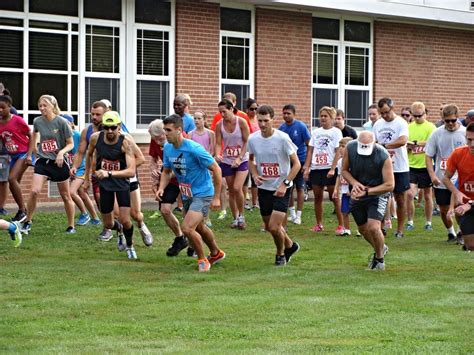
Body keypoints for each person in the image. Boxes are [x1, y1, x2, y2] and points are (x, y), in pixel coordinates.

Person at [158, 114, 225, 272]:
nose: (165, 134)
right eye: (164, 130)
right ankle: (216, 253)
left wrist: (216, 197)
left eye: (168, 130)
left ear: (179, 130)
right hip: (187, 193)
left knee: (187, 228)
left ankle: (202, 260)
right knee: (199, 228)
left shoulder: (194, 148)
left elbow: (216, 168)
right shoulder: (168, 148)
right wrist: (161, 188)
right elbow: (167, 171)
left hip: (203, 193)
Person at [248, 104, 301, 266]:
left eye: (266, 120)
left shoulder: (282, 138)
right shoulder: (253, 139)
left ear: (273, 119)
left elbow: (296, 164)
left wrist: (285, 184)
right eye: (260, 120)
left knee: (273, 226)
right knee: (270, 225)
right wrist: (255, 174)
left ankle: (280, 254)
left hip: (282, 187)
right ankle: (290, 246)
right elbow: (250, 160)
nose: (263, 124)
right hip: (264, 187)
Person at [84, 111, 138, 259]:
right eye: (106, 127)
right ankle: (118, 229)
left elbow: (131, 171)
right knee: (108, 224)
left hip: (121, 184)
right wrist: (87, 177)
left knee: (126, 220)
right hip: (105, 185)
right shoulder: (96, 138)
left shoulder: (125, 142)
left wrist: (109, 173)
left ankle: (130, 246)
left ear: (119, 127)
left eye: (113, 127)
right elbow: (88, 155)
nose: (109, 131)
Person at [21, 95, 75, 235]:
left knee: (65, 195)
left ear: (53, 106)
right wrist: (31, 153)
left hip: (59, 162)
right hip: (43, 161)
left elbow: (71, 144)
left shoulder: (62, 122)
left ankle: (71, 226)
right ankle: (28, 221)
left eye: (45, 105)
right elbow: (34, 135)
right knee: (34, 191)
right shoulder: (37, 121)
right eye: (40, 105)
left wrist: (60, 153)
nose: (42, 108)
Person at [341, 131, 394, 270]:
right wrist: (355, 183)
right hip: (358, 193)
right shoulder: (350, 148)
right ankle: (381, 247)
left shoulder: (383, 155)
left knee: (374, 227)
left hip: (378, 193)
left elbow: (390, 184)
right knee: (363, 229)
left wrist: (367, 191)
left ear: (374, 144)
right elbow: (344, 170)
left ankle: (379, 259)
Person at [148, 119, 192, 257]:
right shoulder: (156, 141)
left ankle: (193, 243)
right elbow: (153, 159)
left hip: (186, 177)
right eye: (154, 138)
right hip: (169, 178)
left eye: (159, 137)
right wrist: (154, 170)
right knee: (165, 209)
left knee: (188, 213)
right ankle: (180, 238)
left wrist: (164, 175)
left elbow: (187, 164)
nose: (157, 140)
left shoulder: (181, 140)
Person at [71, 101, 113, 240]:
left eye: (98, 114)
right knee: (101, 201)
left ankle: (119, 226)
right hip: (96, 173)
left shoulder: (113, 129)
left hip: (113, 172)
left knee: (120, 207)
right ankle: (108, 228)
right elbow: (81, 152)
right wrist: (75, 167)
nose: (94, 117)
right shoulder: (87, 131)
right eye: (92, 114)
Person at [426, 104, 466, 243]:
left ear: (457, 118)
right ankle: (451, 233)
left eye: (453, 120)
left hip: (461, 178)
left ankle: (462, 232)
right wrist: (432, 176)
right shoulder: (436, 133)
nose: (450, 123)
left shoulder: (465, 133)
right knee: (443, 209)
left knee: (460, 207)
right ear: (442, 119)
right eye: (446, 120)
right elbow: (428, 156)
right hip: (442, 177)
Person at [303, 106, 344, 234]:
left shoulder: (336, 132)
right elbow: (310, 151)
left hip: (329, 168)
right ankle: (319, 224)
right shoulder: (315, 132)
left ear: (331, 118)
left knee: (334, 197)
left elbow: (338, 151)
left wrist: (333, 168)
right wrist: (307, 167)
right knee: (318, 197)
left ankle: (341, 224)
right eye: (321, 116)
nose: (322, 118)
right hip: (316, 168)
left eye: (325, 116)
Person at [373, 97, 410, 238]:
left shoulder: (401, 122)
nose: (384, 115)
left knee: (400, 199)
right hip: (382, 167)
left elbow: (403, 140)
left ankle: (400, 229)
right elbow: (374, 141)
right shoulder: (378, 124)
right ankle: (381, 227)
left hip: (399, 167)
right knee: (380, 198)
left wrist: (385, 146)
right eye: (381, 113)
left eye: (386, 112)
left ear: (392, 109)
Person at [215, 99, 250, 229]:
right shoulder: (219, 125)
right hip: (227, 159)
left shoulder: (241, 122)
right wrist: (218, 154)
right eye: (220, 112)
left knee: (237, 187)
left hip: (242, 159)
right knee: (231, 190)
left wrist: (239, 158)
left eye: (224, 111)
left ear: (231, 109)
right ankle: (235, 218)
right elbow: (218, 143)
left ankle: (242, 216)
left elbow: (247, 142)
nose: (222, 114)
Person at [0, 93, 34, 222]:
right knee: (15, 183)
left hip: (24, 153)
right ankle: (24, 214)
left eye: (3, 107)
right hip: (12, 155)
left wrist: (30, 155)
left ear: (9, 107)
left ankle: (22, 210)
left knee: (11, 179)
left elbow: (31, 136)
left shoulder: (17, 120)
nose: (0, 110)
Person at [62, 114, 100, 226]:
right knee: (82, 193)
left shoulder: (77, 135)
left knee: (71, 192)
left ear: (72, 124)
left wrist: (77, 167)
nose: (64, 126)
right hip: (71, 168)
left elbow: (81, 152)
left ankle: (85, 214)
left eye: (66, 123)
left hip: (82, 168)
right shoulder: (61, 137)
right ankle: (95, 218)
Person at [443, 122, 474, 252]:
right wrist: (457, 192)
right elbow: (445, 178)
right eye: (469, 139)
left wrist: (470, 204)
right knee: (471, 245)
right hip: (465, 205)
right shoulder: (458, 154)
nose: (472, 144)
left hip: (469, 205)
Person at [406, 102, 436, 231]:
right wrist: (408, 146)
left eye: (420, 115)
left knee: (428, 195)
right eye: (415, 116)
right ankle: (410, 221)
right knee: (409, 195)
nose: (418, 118)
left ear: (425, 113)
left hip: (426, 166)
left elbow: (432, 142)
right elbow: (405, 144)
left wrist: (417, 143)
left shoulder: (431, 127)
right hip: (411, 165)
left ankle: (428, 222)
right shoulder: (408, 127)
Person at [279, 104, 311, 225]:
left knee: (300, 187)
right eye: (284, 113)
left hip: (301, 160)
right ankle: (291, 214)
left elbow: (309, 145)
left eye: (288, 113)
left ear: (294, 114)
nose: (286, 115)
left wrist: (307, 164)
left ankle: (299, 215)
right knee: (288, 187)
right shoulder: (282, 128)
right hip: (288, 162)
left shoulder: (301, 126)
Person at [189, 110, 215, 227]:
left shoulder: (210, 133)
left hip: (207, 164)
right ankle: (194, 214)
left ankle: (206, 216)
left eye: (199, 118)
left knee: (206, 191)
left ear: (204, 120)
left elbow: (212, 149)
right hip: (195, 166)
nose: (197, 121)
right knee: (195, 190)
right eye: (195, 118)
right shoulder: (190, 134)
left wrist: (206, 161)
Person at [333, 137, 354, 235]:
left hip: (354, 191)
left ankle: (360, 230)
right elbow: (339, 176)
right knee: (344, 211)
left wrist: (352, 188)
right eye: (339, 146)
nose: (340, 149)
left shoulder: (354, 161)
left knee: (357, 211)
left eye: (343, 146)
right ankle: (347, 229)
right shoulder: (339, 162)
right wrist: (336, 189)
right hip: (344, 190)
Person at [246, 98, 260, 209]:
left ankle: (255, 203)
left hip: (258, 150)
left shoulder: (258, 120)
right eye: (252, 109)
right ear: (247, 110)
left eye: (256, 109)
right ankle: (245, 201)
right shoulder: (244, 120)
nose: (254, 111)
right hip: (247, 150)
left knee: (256, 177)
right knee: (246, 178)